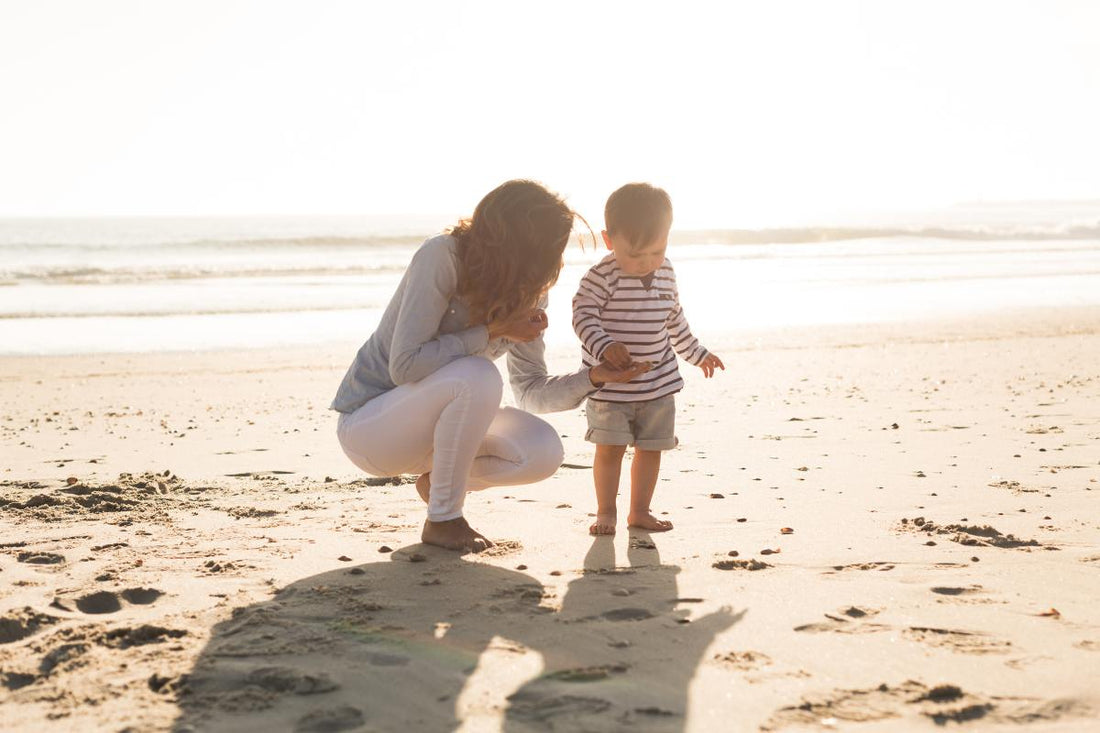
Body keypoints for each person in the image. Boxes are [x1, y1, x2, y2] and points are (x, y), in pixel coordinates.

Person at [332, 180, 651, 552]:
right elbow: (405, 366)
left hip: (436, 433)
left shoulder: (530, 290)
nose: (553, 264)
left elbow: (530, 392)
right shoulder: (443, 256)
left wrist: (593, 378)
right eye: (546, 251)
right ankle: (444, 519)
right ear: (513, 242)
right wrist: (490, 332)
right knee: (478, 374)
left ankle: (437, 487)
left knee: (543, 451)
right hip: (370, 428)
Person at [572, 183, 724, 535]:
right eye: (635, 255)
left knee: (651, 450)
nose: (646, 263)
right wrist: (605, 345)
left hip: (658, 385)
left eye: (656, 251)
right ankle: (605, 513)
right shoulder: (601, 277)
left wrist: (697, 354)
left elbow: (675, 321)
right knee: (609, 450)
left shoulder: (667, 271)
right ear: (609, 240)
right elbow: (583, 316)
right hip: (611, 389)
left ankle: (639, 511)